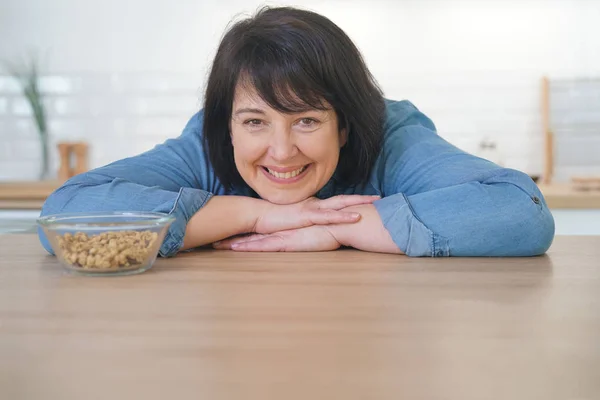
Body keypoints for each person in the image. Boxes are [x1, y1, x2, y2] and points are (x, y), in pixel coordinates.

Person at [38, 6, 555, 257]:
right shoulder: (204, 144)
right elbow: (65, 213)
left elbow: (518, 210)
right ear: (228, 125)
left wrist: (335, 227)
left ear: (347, 122)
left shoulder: (393, 136)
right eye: (255, 121)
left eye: (306, 119)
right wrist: (261, 215)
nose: (281, 151)